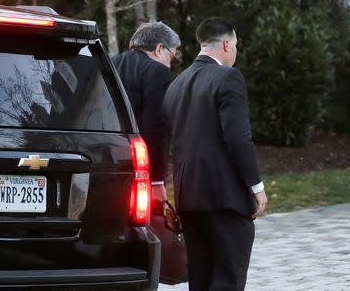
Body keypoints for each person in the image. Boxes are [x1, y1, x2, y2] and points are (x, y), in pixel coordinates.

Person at [162, 17, 268, 290]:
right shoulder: (228, 77)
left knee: (201, 280)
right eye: (235, 44)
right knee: (228, 279)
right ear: (225, 43)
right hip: (225, 199)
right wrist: (256, 186)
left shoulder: (177, 84)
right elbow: (238, 139)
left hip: (189, 199)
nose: (235, 51)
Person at [112, 22, 181, 204]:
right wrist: (157, 181)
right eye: (171, 57)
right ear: (159, 49)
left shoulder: (111, 64)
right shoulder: (157, 71)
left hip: (110, 158)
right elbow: (157, 128)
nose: (169, 64)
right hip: (141, 165)